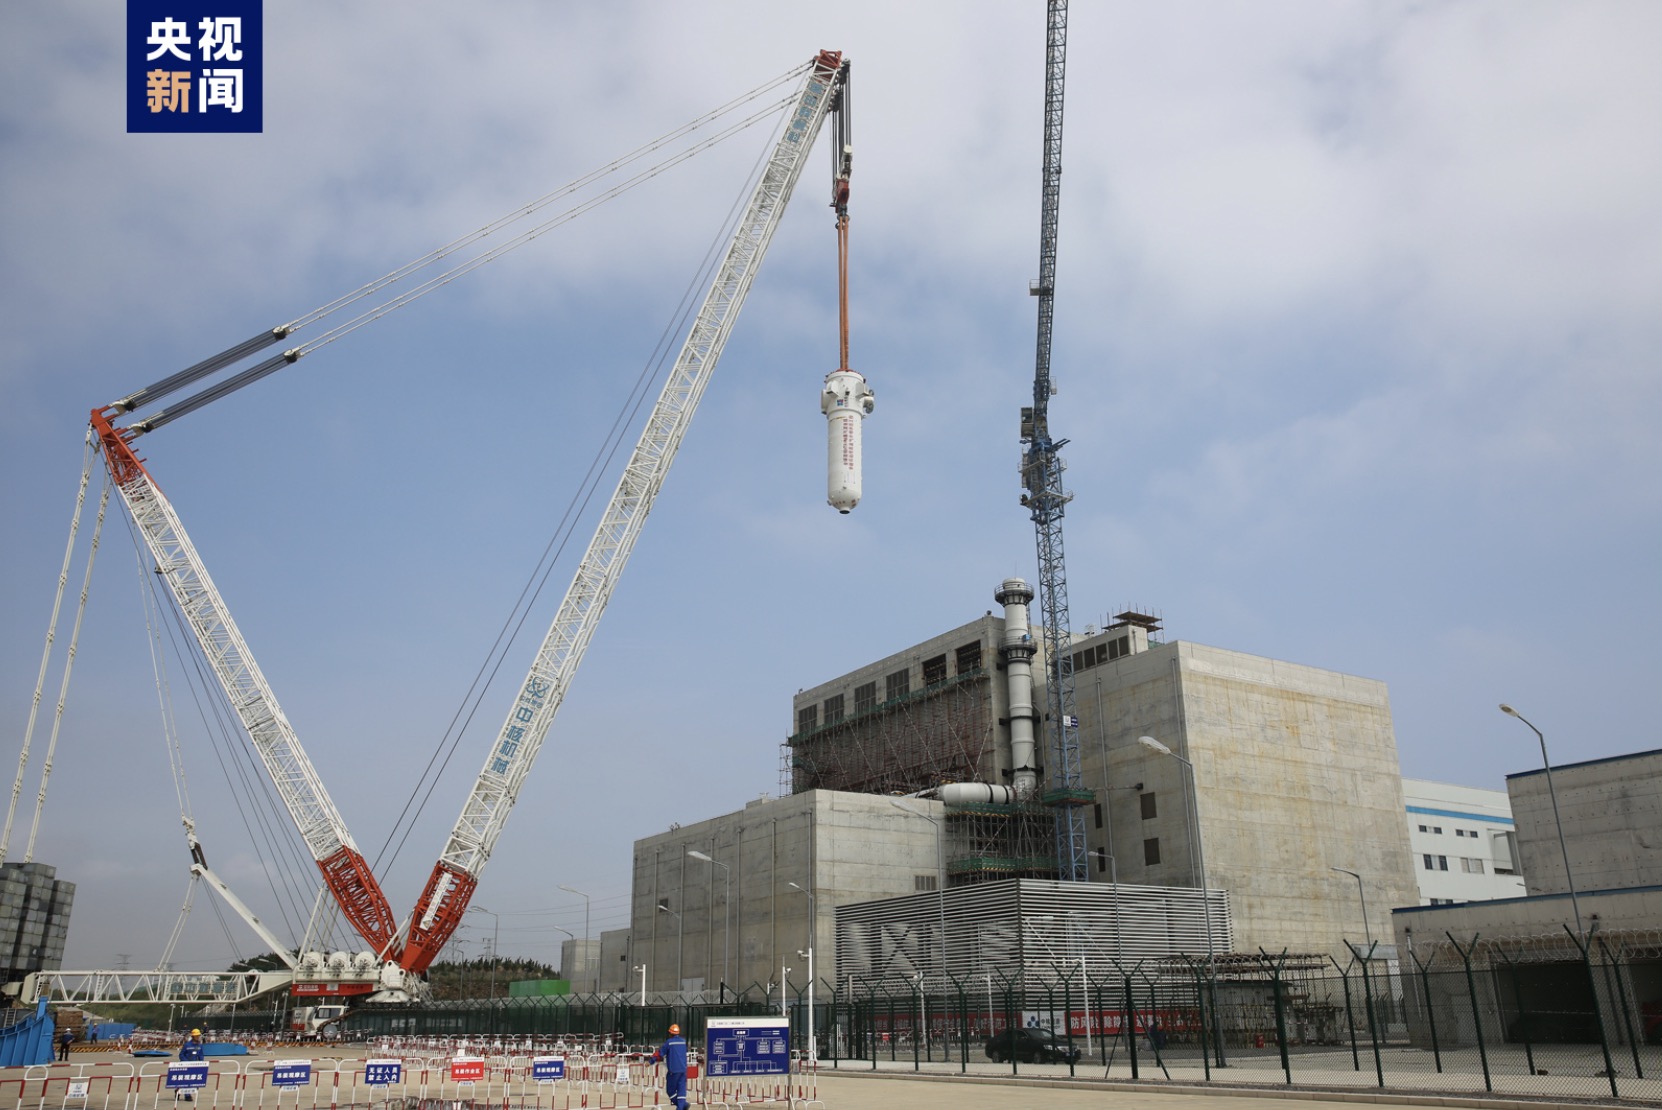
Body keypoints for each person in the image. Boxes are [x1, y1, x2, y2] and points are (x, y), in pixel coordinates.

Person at [652, 1022, 688, 1110]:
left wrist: (651, 1061)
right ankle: (682, 1106)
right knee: (681, 1092)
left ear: (670, 1033)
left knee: (671, 1091)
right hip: (683, 1070)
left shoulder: (669, 1042)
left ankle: (683, 1106)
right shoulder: (683, 1042)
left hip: (673, 1071)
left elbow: (660, 1053)